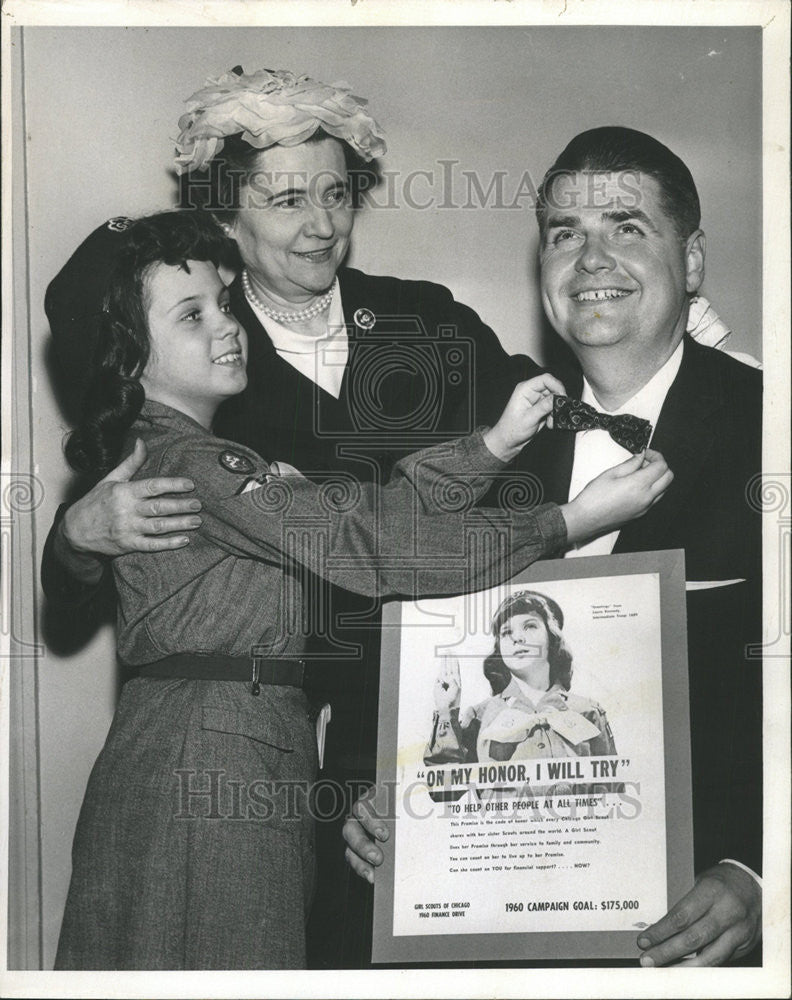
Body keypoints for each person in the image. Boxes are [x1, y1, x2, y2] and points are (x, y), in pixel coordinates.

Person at [46, 209, 672, 970]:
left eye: (223, 300)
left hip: (221, 744)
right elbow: (369, 545)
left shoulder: (198, 456)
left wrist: (494, 444)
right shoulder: (200, 467)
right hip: (210, 754)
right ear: (129, 354)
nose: (227, 324)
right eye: (191, 314)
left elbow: (371, 516)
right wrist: (567, 521)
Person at [344, 126, 763, 968]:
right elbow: (399, 642)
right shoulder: (496, 454)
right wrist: (369, 791)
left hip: (706, 940)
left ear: (692, 262)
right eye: (565, 234)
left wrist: (762, 870)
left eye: (627, 228)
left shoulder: (775, 428)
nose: (590, 258)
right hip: (499, 940)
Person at [425, 591, 617, 791]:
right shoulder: (479, 717)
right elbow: (444, 790)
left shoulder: (588, 711)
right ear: (499, 648)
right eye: (506, 632)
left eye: (530, 626)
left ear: (551, 637)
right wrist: (446, 710)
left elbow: (613, 794)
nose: (517, 637)